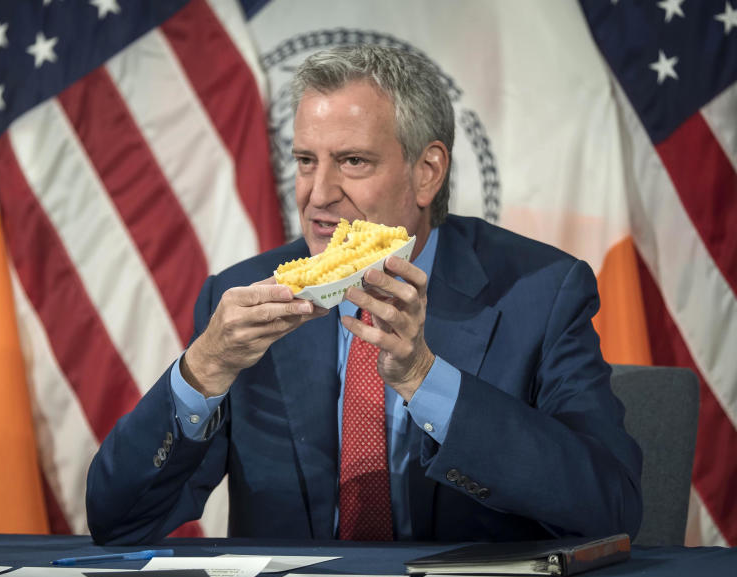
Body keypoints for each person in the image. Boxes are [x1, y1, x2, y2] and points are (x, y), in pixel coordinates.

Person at [86, 45, 643, 544]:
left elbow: (611, 509)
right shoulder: (242, 299)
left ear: (427, 173)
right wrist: (202, 371)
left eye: (353, 162)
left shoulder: (540, 292)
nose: (319, 195)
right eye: (306, 161)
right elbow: (119, 521)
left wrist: (426, 379)